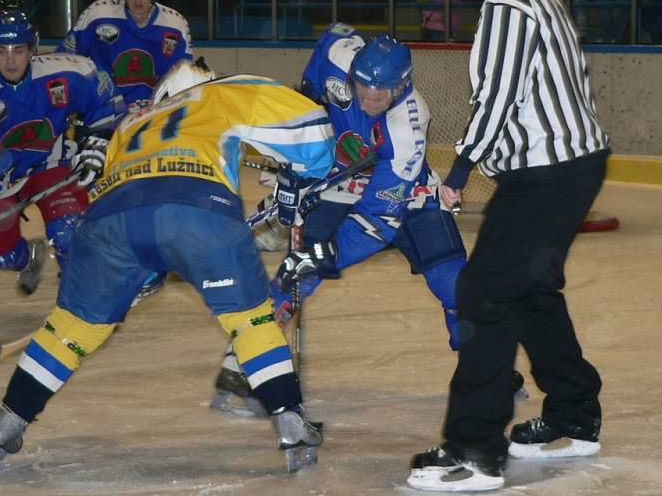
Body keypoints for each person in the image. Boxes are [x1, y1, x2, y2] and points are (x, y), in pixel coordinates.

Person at [0, 69, 337, 473]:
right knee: (250, 320)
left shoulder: (130, 123)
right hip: (198, 210)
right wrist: (303, 179)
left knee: (69, 331)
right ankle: (291, 424)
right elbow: (312, 129)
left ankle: (7, 423)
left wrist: (145, 273)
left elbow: (129, 209)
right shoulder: (217, 93)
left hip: (108, 224)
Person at [212, 25, 526, 417]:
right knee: (298, 272)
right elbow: (306, 95)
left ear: (402, 86)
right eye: (360, 92)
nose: (367, 102)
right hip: (336, 180)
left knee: (454, 282)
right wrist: (295, 161)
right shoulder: (337, 55)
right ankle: (244, 364)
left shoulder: (408, 128)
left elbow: (378, 223)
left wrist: (330, 251)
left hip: (403, 192)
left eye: (378, 96)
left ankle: (485, 371)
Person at [406, 0, 610, 492]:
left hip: (546, 175)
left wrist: (459, 170)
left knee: (484, 294)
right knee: (529, 289)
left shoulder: (505, 4)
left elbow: (496, 99)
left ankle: (474, 452)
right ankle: (576, 414)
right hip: (569, 167)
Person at [0, 9, 119, 297]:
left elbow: (102, 92)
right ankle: (28, 257)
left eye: (18, 50)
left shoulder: (65, 73)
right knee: (2, 255)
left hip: (52, 168)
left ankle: (85, 302)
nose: (10, 60)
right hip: (1, 181)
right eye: (2, 51)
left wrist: (97, 141)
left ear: (32, 49)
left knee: (69, 234)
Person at [57, 0, 193, 112]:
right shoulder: (97, 15)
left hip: (154, 112)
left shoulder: (175, 25)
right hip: (105, 111)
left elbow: (184, 77)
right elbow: (64, 59)